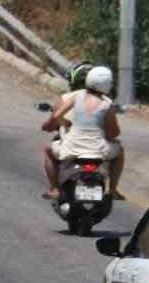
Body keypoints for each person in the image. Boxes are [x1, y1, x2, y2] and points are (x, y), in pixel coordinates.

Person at [42, 64, 124, 199]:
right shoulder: (107, 105)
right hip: (98, 150)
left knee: (48, 150)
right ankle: (113, 190)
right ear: (107, 85)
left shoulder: (76, 97)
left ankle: (54, 189)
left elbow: (56, 116)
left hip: (71, 148)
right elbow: (112, 134)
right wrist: (113, 135)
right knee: (119, 151)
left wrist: (65, 122)